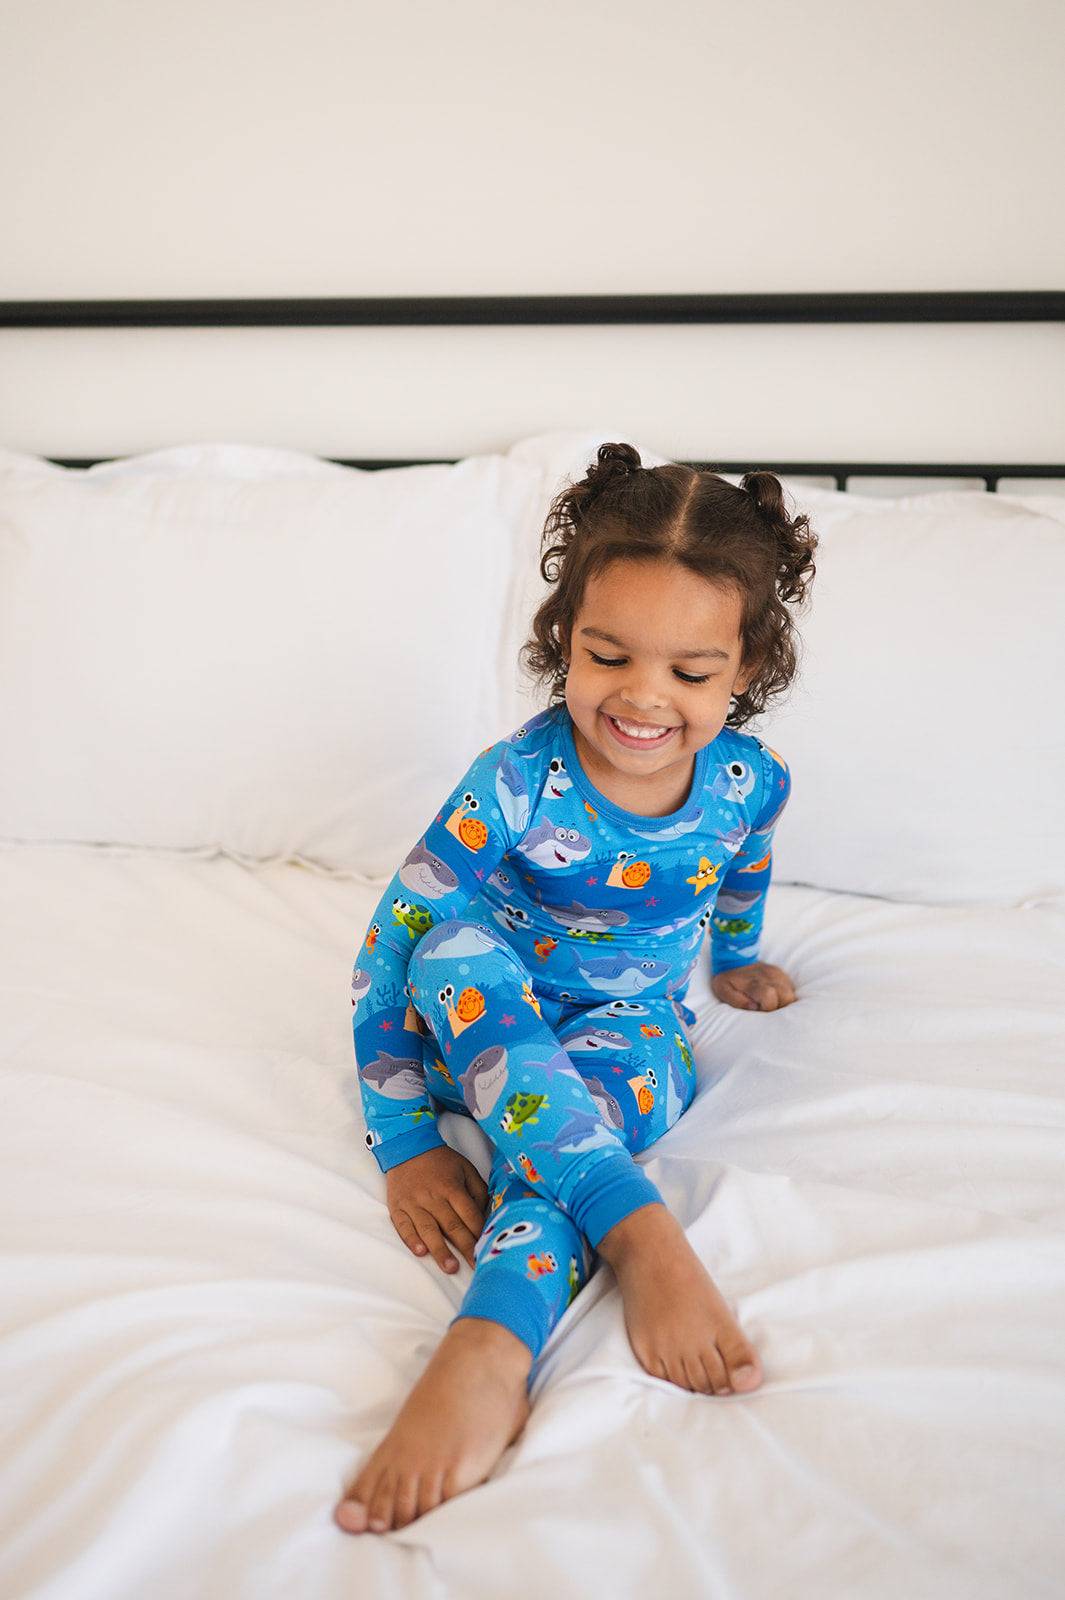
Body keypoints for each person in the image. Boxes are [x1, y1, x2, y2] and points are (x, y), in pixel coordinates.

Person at [335, 441, 818, 1535]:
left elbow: (740, 869)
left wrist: (736, 957)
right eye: (608, 656)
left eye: (692, 673)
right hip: (482, 1011)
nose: (643, 698)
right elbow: (391, 945)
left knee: (585, 1111)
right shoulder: (513, 781)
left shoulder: (751, 782)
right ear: (566, 640)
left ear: (746, 671)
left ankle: (489, 1341)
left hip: (623, 1032)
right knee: (452, 949)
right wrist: (406, 1139)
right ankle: (640, 1232)